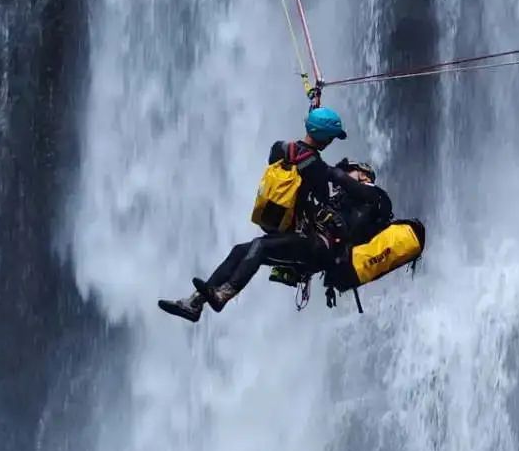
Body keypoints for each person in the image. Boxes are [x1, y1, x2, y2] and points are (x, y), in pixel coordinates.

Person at [158, 106, 370, 322]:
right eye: (331, 137)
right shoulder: (316, 167)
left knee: (258, 246)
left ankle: (221, 294)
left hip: (304, 243)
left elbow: (278, 159)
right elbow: (322, 197)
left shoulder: (282, 149)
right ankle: (197, 303)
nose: (332, 141)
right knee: (241, 250)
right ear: (325, 138)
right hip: (306, 239)